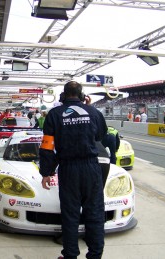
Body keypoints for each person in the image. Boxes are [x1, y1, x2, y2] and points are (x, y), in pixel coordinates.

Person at [39, 81, 107, 259]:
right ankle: (95, 255)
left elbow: (47, 147)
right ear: (82, 95)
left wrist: (47, 172)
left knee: (70, 216)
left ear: (63, 95)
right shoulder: (93, 112)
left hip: (68, 169)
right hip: (92, 168)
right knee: (95, 214)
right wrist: (88, 111)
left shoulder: (54, 114)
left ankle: (70, 255)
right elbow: (100, 136)